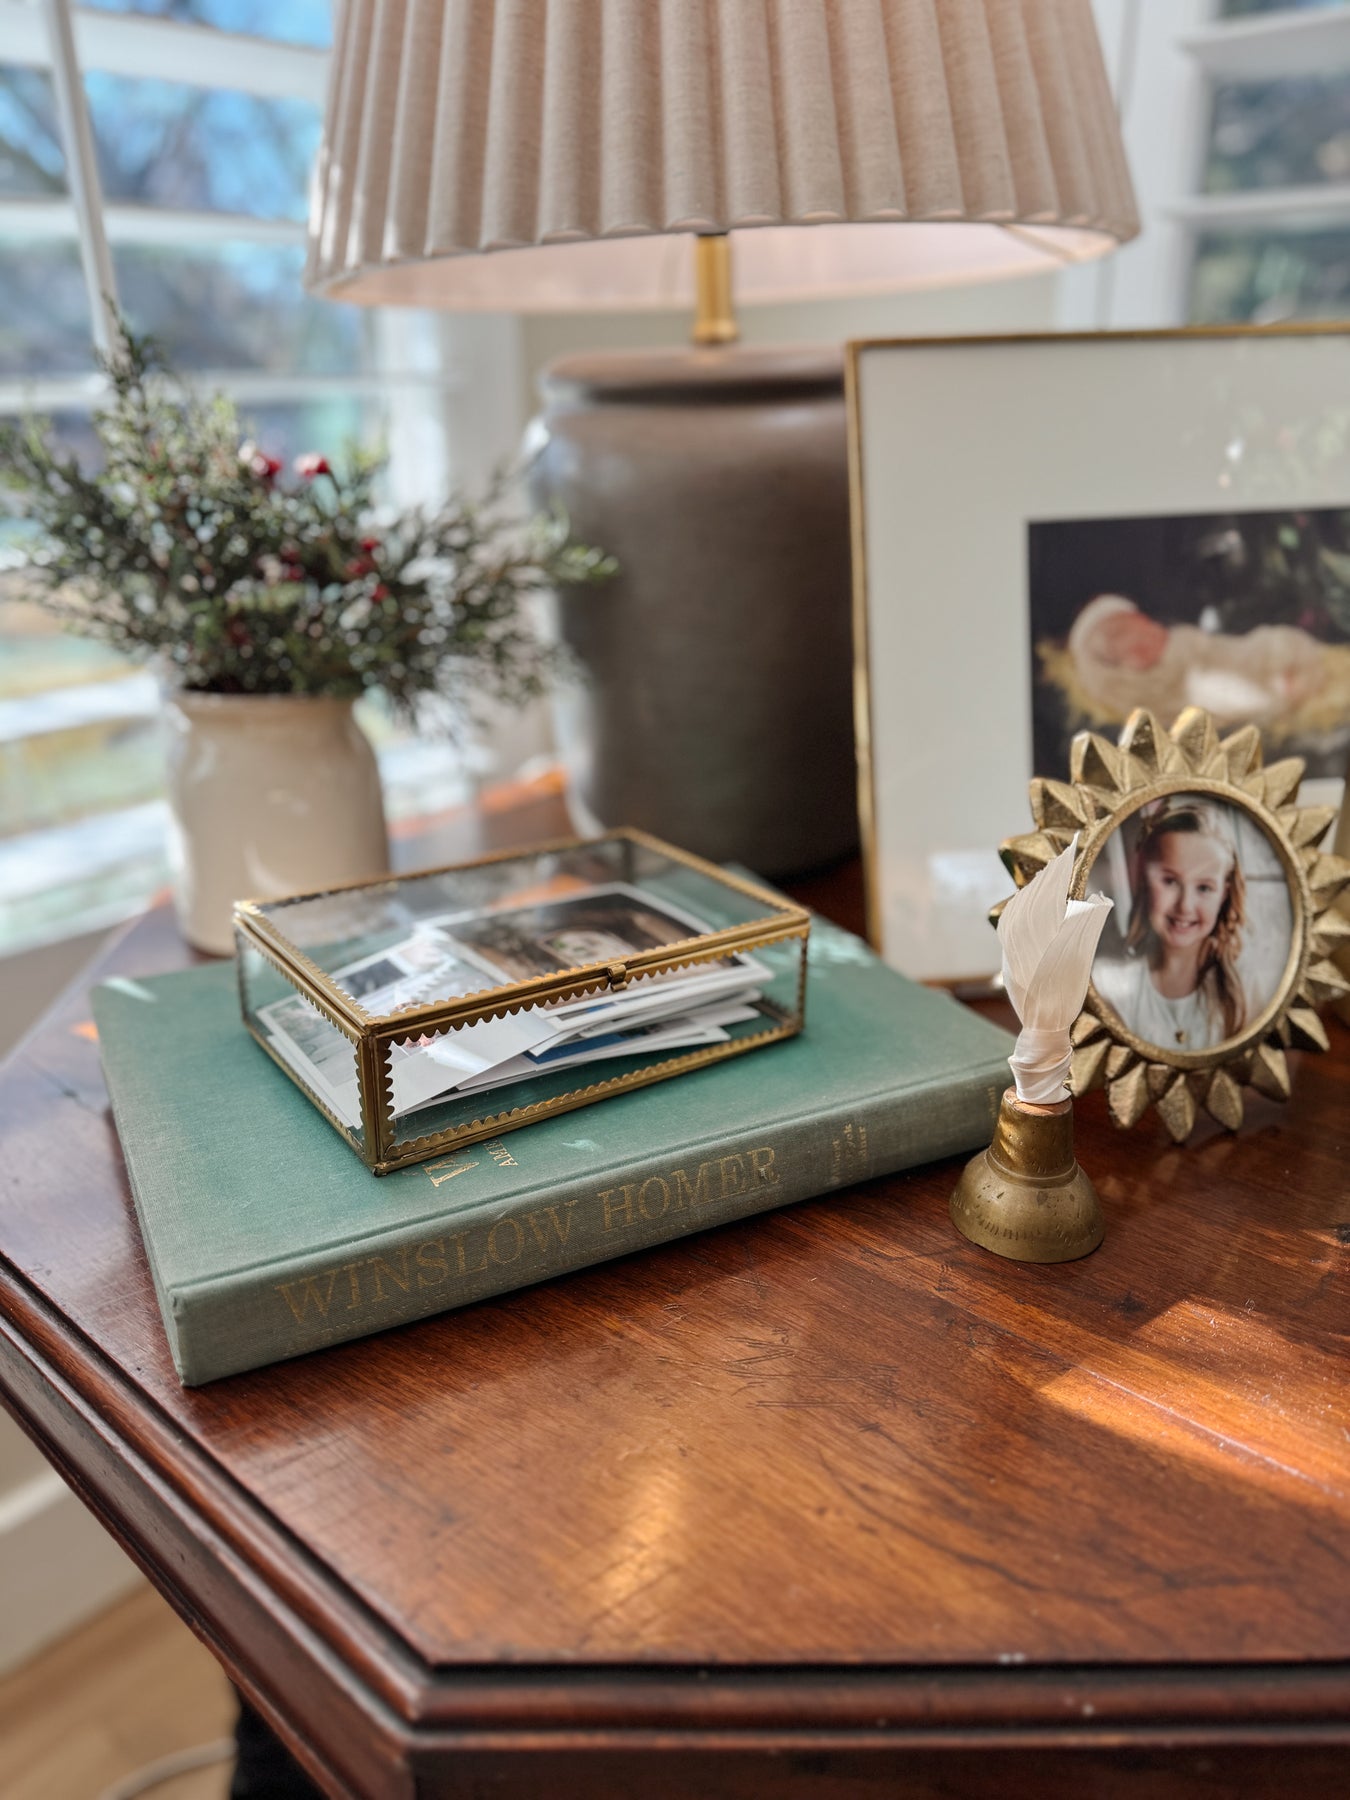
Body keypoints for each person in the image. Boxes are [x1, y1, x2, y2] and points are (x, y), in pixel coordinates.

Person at [1094, 803, 1247, 1050]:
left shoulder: (1243, 989)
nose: (1185, 906)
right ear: (1144, 881)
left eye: (1204, 887)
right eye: (1170, 881)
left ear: (1224, 894)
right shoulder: (1108, 983)